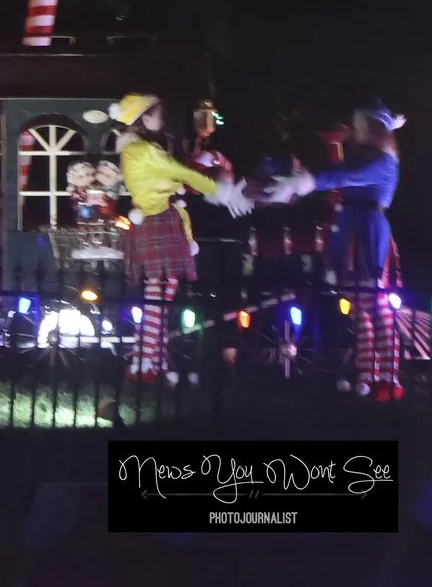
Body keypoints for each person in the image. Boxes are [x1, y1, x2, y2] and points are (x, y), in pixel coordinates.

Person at [268, 105, 407, 400]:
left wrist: (309, 182)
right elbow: (342, 177)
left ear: (372, 129)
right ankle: (367, 373)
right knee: (360, 313)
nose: (354, 132)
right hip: (351, 235)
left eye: (358, 127)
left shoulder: (383, 162)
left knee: (379, 310)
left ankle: (389, 376)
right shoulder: (365, 157)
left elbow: (347, 176)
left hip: (370, 234)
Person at [113, 93, 249, 384]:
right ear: (143, 118)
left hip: (160, 220)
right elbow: (180, 171)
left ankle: (152, 359)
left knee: (161, 294)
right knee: (158, 295)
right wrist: (219, 189)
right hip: (159, 221)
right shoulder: (143, 150)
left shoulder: (140, 150)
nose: (162, 119)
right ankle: (147, 362)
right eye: (157, 114)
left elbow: (175, 174)